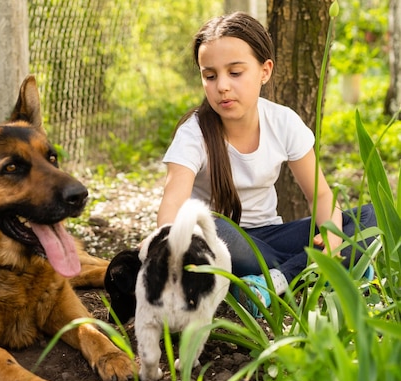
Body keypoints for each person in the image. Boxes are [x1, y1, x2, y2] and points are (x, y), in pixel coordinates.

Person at [157, 11, 377, 317]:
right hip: (227, 243)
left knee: (370, 217)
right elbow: (172, 209)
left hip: (272, 235)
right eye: (210, 75)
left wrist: (333, 234)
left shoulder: (283, 121)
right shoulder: (193, 133)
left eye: (235, 73)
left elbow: (322, 196)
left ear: (265, 70)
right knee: (209, 228)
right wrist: (164, 248)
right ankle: (325, 271)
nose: (221, 86)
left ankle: (275, 281)